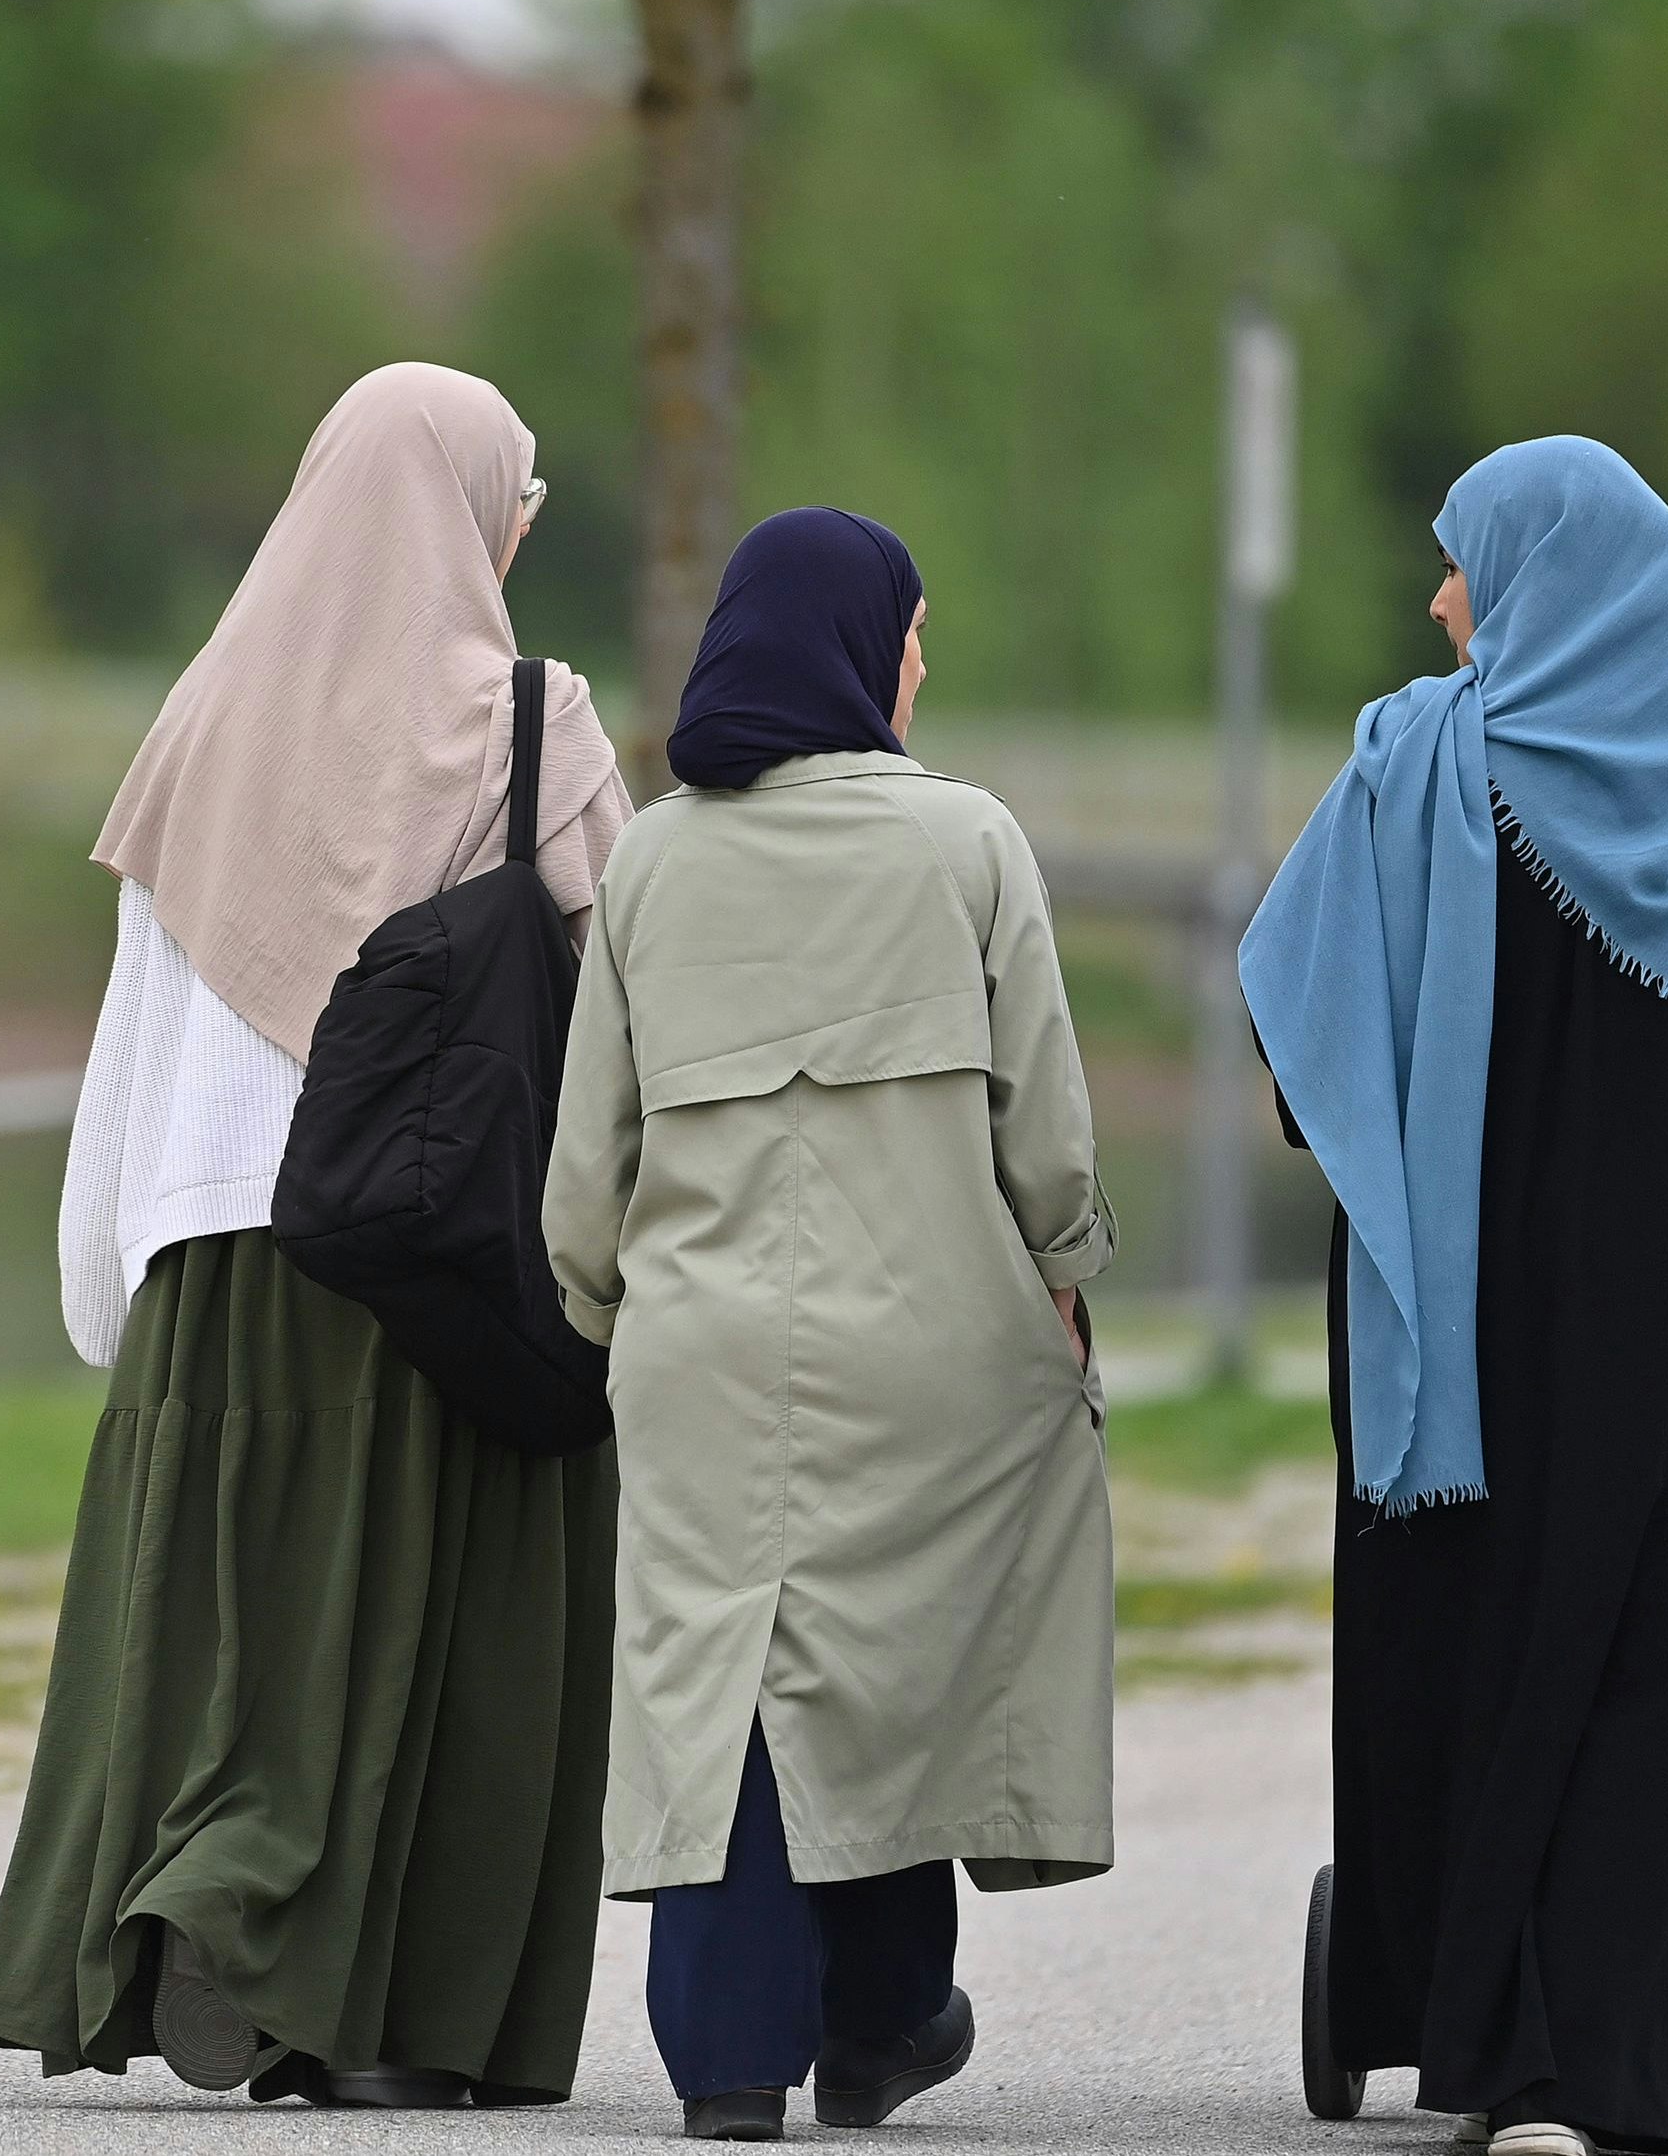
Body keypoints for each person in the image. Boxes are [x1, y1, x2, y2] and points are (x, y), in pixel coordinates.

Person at [0, 362, 633, 2109]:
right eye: (521, 496)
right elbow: (630, 995)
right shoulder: (528, 728)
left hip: (209, 1260)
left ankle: (184, 1915)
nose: (525, 527)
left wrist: (108, 1268)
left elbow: (137, 1026)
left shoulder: (205, 717)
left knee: (222, 1621)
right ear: (470, 510)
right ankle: (377, 1994)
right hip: (429, 1261)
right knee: (428, 1629)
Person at [1243, 436, 1668, 2156]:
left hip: (1472, 1331)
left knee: (1493, 1651)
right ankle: (1648, 2052)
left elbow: (1303, 1072)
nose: (1442, 600)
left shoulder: (1416, 772)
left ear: (1539, 586)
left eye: (1467, 565)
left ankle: (1496, 2044)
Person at [544, 506, 1119, 2143]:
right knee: (899, 1666)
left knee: (718, 1668)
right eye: (916, 630)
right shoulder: (971, 847)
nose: (924, 662)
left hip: (705, 1357)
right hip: (932, 1347)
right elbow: (1051, 1141)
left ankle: (728, 2057)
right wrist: (1067, 1280)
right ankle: (879, 2026)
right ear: (864, 648)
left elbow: (591, 1160)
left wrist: (597, 1303)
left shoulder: (651, 857)